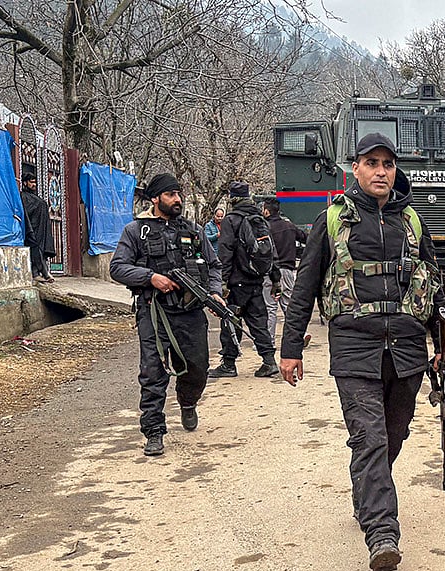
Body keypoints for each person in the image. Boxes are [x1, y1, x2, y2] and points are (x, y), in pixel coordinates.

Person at [280, 133, 445, 571]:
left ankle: (366, 496)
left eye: (387, 164)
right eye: (371, 163)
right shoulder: (331, 220)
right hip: (355, 347)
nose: (380, 172)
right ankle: (382, 534)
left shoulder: (412, 221)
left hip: (407, 349)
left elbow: (433, 287)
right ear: (355, 168)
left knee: (393, 435)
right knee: (369, 438)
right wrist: (290, 347)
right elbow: (304, 288)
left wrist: (441, 352)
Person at [110, 173, 223, 456]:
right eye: (171, 195)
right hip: (154, 312)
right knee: (152, 372)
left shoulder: (194, 231)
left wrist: (216, 292)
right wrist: (150, 277)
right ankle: (154, 431)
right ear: (155, 199)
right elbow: (118, 268)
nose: (177, 200)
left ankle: (187, 402)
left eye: (179, 194)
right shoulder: (136, 231)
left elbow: (214, 265)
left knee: (197, 368)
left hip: (190, 312)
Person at [208, 182, 281, 379]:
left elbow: (225, 251)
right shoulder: (260, 219)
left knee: (230, 320)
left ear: (232, 199)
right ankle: (269, 362)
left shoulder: (231, 220)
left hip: (237, 282)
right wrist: (276, 279)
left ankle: (229, 364)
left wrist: (222, 282)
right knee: (258, 321)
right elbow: (271, 252)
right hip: (256, 280)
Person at [260, 196, 306, 343]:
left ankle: (269, 340)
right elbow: (306, 238)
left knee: (270, 307)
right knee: (289, 306)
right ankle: (299, 336)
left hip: (270, 272)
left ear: (266, 211)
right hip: (288, 271)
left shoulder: (264, 228)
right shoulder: (289, 225)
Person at [20, 166, 56, 282]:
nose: (34, 185)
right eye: (31, 182)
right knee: (34, 248)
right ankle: (39, 273)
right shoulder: (23, 196)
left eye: (35, 182)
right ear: (25, 183)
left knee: (40, 249)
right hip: (30, 229)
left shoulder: (36, 198)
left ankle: (42, 272)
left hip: (40, 228)